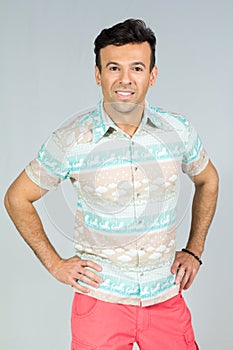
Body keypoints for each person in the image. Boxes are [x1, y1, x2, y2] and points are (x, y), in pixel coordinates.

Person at [4, 19, 219, 350]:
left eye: (137, 68)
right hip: (101, 302)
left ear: (152, 74)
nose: (125, 79)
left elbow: (208, 179)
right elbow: (17, 198)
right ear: (98, 74)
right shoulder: (72, 140)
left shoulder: (178, 130)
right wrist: (54, 264)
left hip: (165, 297)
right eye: (113, 67)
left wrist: (194, 251)